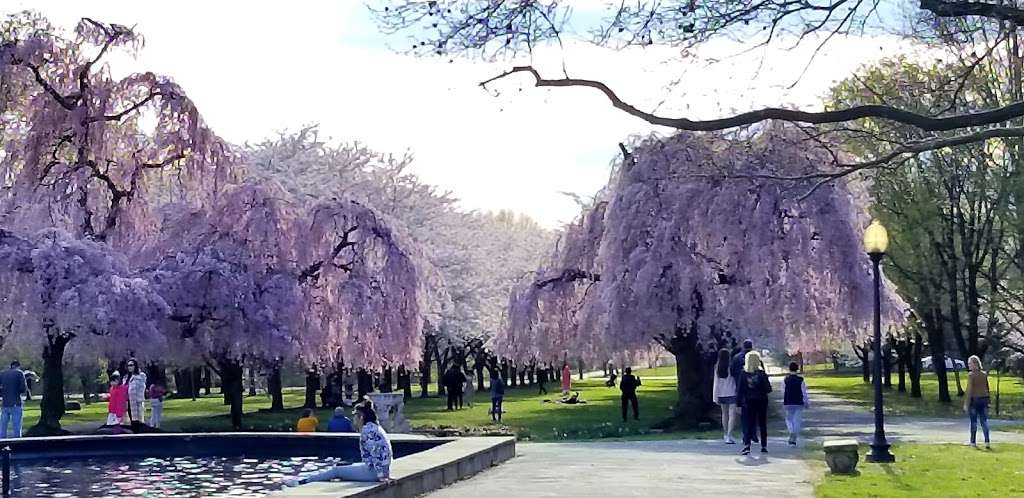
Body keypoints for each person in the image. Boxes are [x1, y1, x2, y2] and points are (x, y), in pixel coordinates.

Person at [285, 400, 393, 486]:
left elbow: (376, 454)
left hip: (374, 473)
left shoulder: (368, 431)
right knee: (347, 466)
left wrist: (381, 476)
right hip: (379, 470)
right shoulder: (374, 427)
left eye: (355, 415)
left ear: (361, 417)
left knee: (337, 470)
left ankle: (303, 481)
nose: (353, 418)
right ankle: (306, 478)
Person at [737, 351, 771, 455]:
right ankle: (764, 445)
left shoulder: (743, 374)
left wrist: (738, 403)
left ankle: (747, 445)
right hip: (761, 400)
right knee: (762, 423)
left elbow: (740, 390)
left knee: (749, 423)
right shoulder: (761, 374)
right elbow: (768, 389)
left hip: (748, 401)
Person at [731, 339, 756, 443]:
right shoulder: (755, 358)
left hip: (741, 388)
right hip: (754, 389)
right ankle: (753, 433)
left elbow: (732, 371)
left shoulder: (736, 358)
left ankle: (746, 435)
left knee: (744, 414)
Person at [964, 355, 991, 449]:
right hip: (984, 399)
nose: (969, 366)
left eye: (970, 364)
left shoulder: (971, 375)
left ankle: (973, 442)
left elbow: (969, 390)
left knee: (974, 422)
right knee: (984, 421)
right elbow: (987, 388)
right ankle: (987, 441)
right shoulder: (984, 374)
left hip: (975, 400)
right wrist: (988, 400)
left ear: (975, 364)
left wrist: (966, 403)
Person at [712, 349, 738, 444]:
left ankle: (725, 434)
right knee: (732, 415)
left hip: (721, 393)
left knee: (724, 414)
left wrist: (715, 396)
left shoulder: (717, 367)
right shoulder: (731, 366)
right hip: (731, 392)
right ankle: (729, 435)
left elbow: (716, 383)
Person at [782, 361, 810, 446]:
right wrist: (806, 401)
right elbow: (804, 391)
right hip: (798, 402)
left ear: (789, 369)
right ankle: (794, 435)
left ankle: (791, 432)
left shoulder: (785, 380)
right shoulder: (800, 380)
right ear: (797, 369)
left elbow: (783, 391)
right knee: (797, 420)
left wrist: (784, 400)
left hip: (788, 402)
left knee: (789, 419)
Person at [0, 360, 27, 438]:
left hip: (5, 403)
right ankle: (17, 443)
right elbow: (23, 388)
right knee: (17, 426)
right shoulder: (19, 373)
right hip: (16, 403)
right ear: (17, 366)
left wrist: (3, 394)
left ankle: (2, 442)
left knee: (3, 426)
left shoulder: (2, 374)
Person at [124, 359, 147, 429]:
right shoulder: (126, 378)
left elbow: (142, 388)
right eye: (128, 366)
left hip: (137, 402)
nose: (129, 367)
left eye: (131, 365)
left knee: (138, 422)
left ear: (135, 366)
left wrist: (139, 400)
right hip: (128, 403)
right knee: (131, 421)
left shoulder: (140, 376)